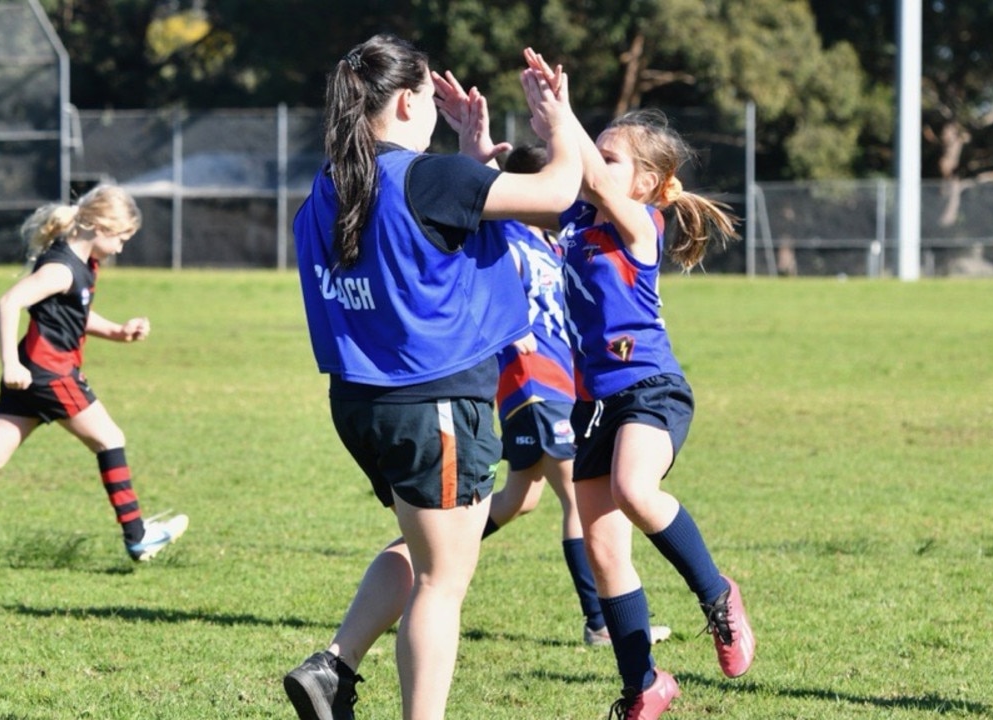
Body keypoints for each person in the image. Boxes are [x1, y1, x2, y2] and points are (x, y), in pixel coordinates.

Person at [282, 35, 581, 720]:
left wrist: (471, 161)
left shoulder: (333, 181)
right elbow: (559, 191)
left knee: (425, 551)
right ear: (413, 100)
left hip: (364, 402)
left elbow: (425, 240)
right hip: (435, 403)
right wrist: (557, 117)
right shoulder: (429, 177)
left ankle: (334, 667)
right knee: (444, 580)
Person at [525, 50, 755, 720]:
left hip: (651, 387)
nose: (597, 165)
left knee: (634, 489)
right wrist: (483, 139)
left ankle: (719, 598)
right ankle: (642, 687)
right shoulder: (573, 224)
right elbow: (516, 188)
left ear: (649, 182)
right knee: (603, 551)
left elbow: (592, 179)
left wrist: (562, 115)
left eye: (613, 157)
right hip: (592, 402)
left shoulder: (640, 226)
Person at [483, 145, 670, 648]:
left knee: (520, 499)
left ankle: (426, 546)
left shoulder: (552, 242)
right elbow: (479, 267)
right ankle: (601, 621)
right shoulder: (508, 235)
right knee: (577, 495)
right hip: (532, 382)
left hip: (563, 381)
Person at [0, 184, 188, 562]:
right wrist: (11, 363)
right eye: (122, 238)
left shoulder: (82, 264)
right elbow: (9, 302)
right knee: (109, 438)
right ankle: (138, 537)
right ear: (100, 227)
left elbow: (73, 315)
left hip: (35, 372)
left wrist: (118, 331)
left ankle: (138, 536)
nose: (121, 248)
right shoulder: (60, 269)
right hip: (49, 372)